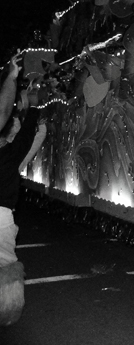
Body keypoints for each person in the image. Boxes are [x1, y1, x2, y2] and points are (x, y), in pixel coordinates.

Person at [0, 56, 48, 326]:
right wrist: (32, 103)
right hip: (1, 218)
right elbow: (30, 131)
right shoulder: (9, 155)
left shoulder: (10, 152)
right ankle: (6, 313)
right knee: (6, 266)